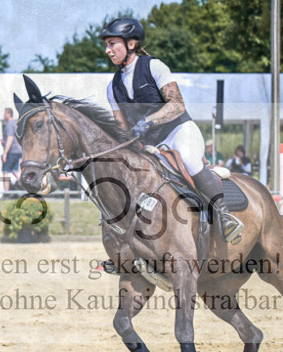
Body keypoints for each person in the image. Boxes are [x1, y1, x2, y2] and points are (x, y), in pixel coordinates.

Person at [99, 16, 242, 243]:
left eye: (112, 43)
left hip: (179, 131)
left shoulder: (153, 67)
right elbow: (122, 128)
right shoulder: (112, 88)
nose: (107, 50)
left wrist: (148, 122)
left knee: (189, 160)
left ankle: (225, 217)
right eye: (106, 45)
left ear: (131, 44)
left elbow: (177, 105)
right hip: (151, 146)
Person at [0, 107, 23, 188]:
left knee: (5, 171)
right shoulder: (17, 123)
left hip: (11, 151)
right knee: (14, 170)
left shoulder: (9, 124)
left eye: (4, 114)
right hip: (19, 150)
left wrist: (5, 153)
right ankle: (24, 185)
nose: (3, 116)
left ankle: (6, 192)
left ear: (8, 114)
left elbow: (10, 138)